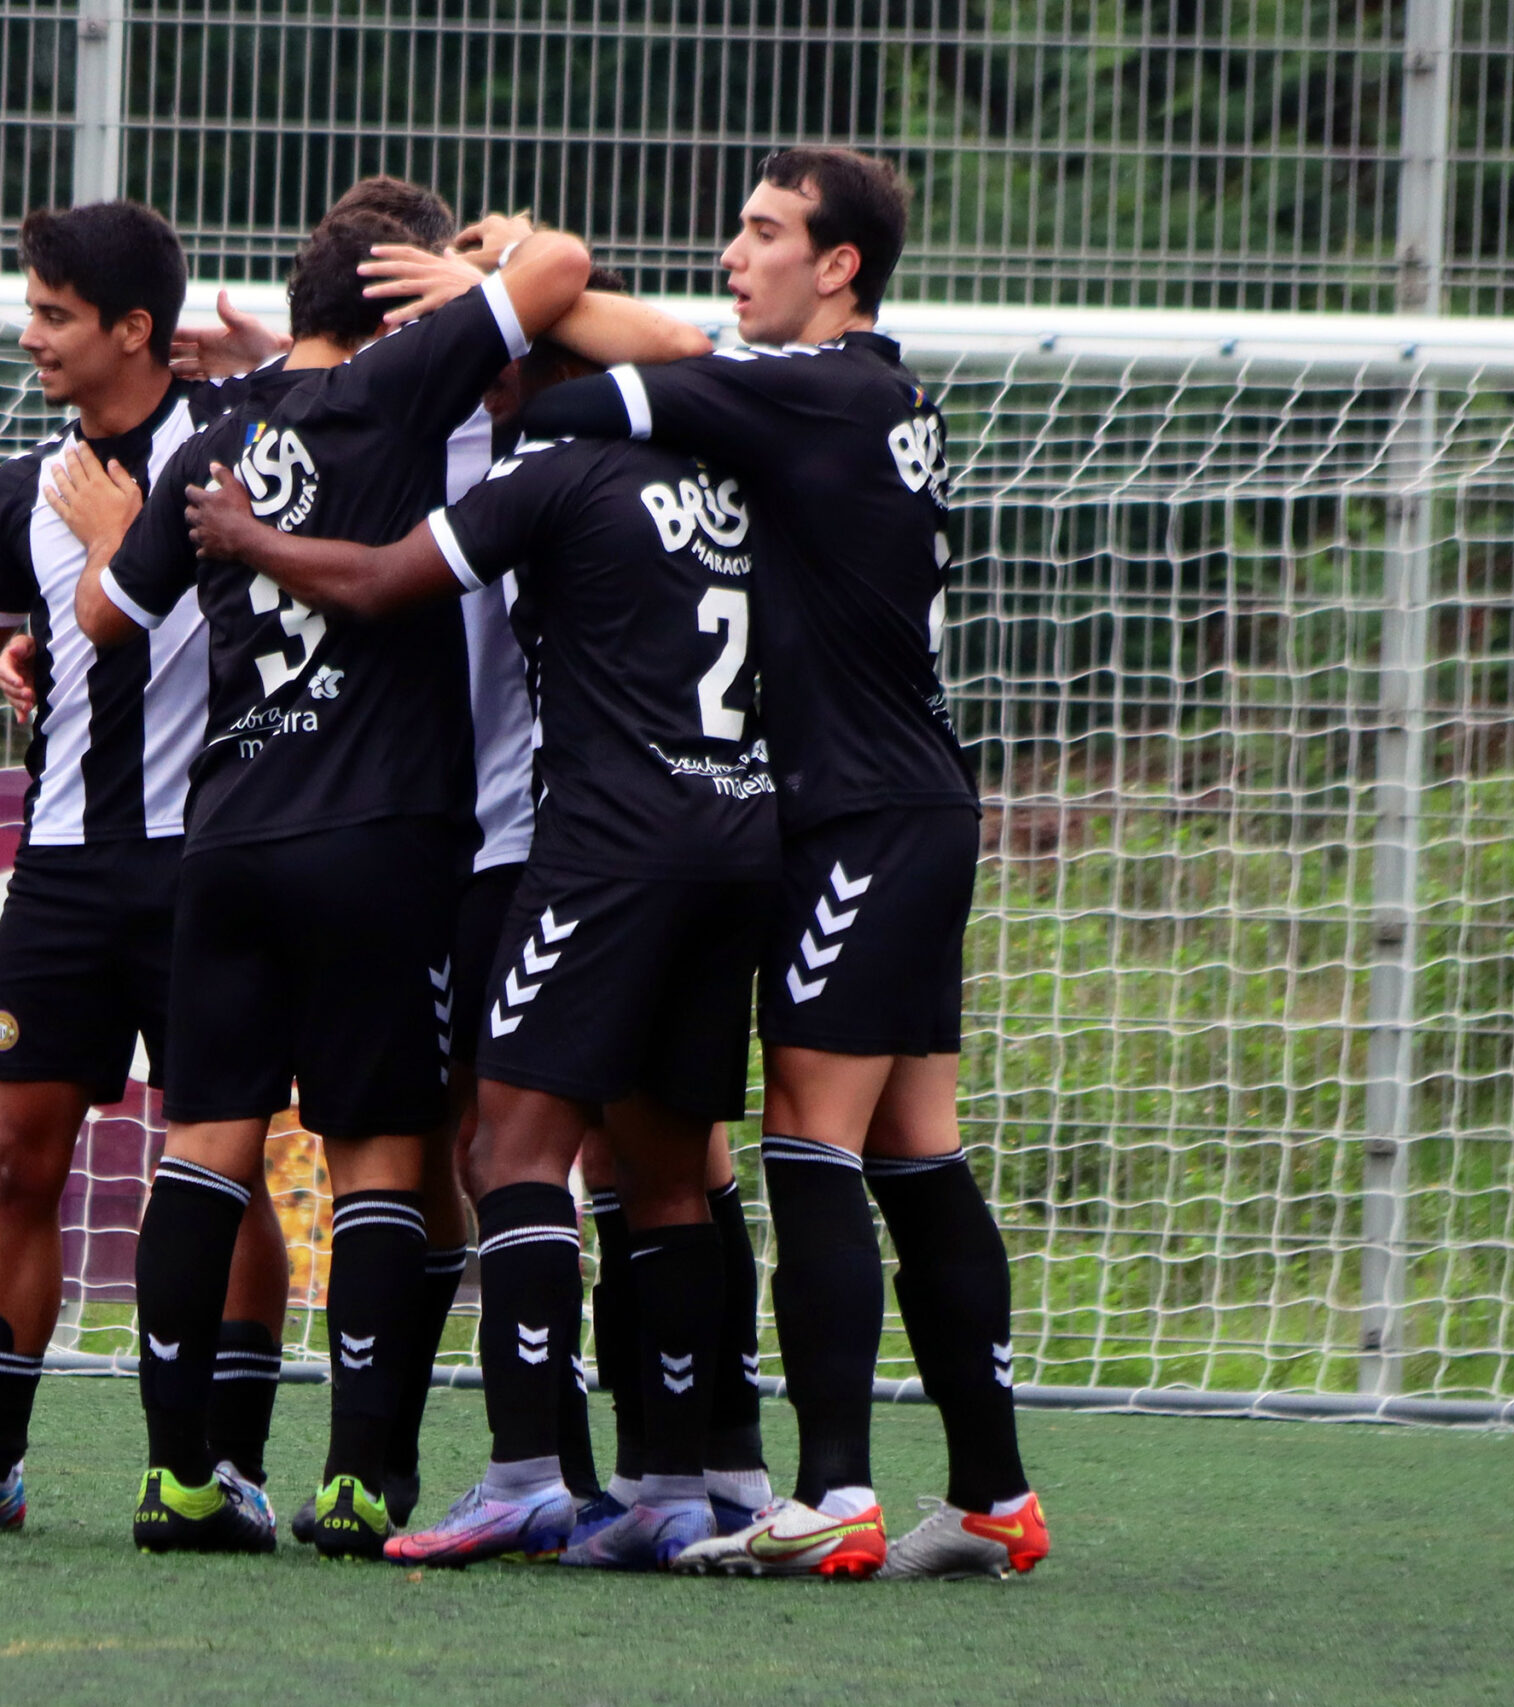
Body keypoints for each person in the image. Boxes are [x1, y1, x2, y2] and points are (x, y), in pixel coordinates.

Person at [519, 146, 1050, 1580]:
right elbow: (684, 359)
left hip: (857, 817)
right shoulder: (877, 395)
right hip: (915, 804)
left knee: (809, 1136)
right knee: (915, 1153)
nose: (733, 255)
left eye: (763, 232)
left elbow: (579, 398)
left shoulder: (812, 386)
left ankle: (831, 1493)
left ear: (839, 266)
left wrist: (496, 293)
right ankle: (992, 1496)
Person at [182, 319, 776, 1571]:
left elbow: (380, 576)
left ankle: (550, 1475)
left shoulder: (529, 461)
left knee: (521, 1145)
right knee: (635, 1154)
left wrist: (248, 529)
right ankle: (678, 1476)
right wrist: (282, 360)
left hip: (548, 840)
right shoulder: (710, 468)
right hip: (699, 827)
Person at [70, 208, 595, 1558]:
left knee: (206, 1144)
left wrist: (125, 537)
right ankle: (359, 1479)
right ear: (391, 312)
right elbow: (560, 271)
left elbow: (105, 617)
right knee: (376, 1152)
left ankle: (179, 1477)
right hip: (382, 833)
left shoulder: (209, 435)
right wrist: (464, 283)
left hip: (229, 835)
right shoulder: (396, 384)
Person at [0, 200, 291, 1537]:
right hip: (65, 873)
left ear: (133, 329)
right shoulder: (21, 487)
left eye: (54, 314)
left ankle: (229, 1462)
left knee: (223, 1174)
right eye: (30, 309)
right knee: (12, 1157)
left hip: (215, 866)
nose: (29, 335)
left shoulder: (236, 453)